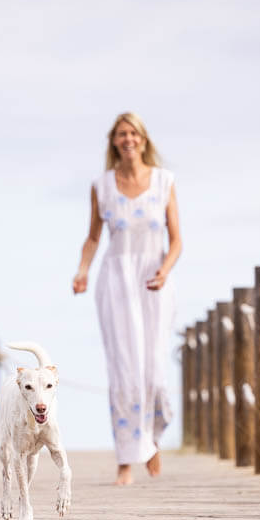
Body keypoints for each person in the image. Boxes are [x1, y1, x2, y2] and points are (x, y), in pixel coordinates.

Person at [72, 112, 182, 486]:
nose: (128, 139)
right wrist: (82, 271)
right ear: (114, 141)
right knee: (123, 370)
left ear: (143, 139)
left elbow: (176, 240)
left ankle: (151, 439)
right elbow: (93, 237)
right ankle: (125, 459)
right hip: (116, 281)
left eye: (133, 133)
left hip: (154, 281)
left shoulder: (164, 181)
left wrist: (165, 269)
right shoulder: (102, 185)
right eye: (121, 134)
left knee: (154, 370)